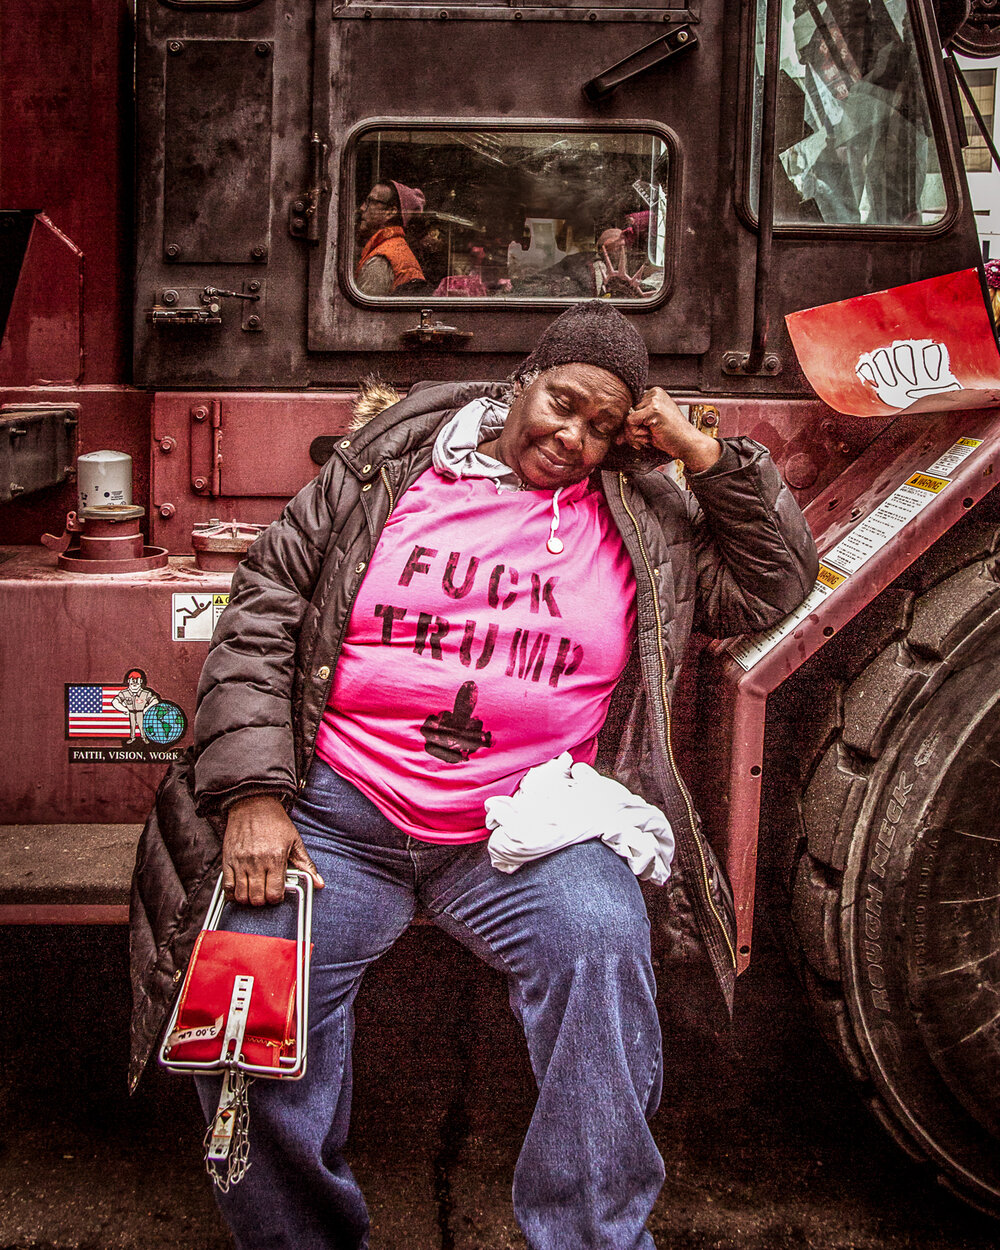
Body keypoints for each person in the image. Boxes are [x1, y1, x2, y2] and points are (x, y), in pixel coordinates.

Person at [129, 302, 818, 1249]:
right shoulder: (387, 468)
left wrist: (702, 454)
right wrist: (251, 794)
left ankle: (591, 1236)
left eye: (604, 429)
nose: (571, 438)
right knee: (245, 990)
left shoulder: (643, 516)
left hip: (520, 829)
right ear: (522, 383)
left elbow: (775, 584)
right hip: (335, 817)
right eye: (562, 405)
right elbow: (263, 611)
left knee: (602, 943)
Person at [354, 180, 426, 295]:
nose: (362, 208)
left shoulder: (381, 258)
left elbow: (363, 313)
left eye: (370, 202)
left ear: (390, 212)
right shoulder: (395, 248)